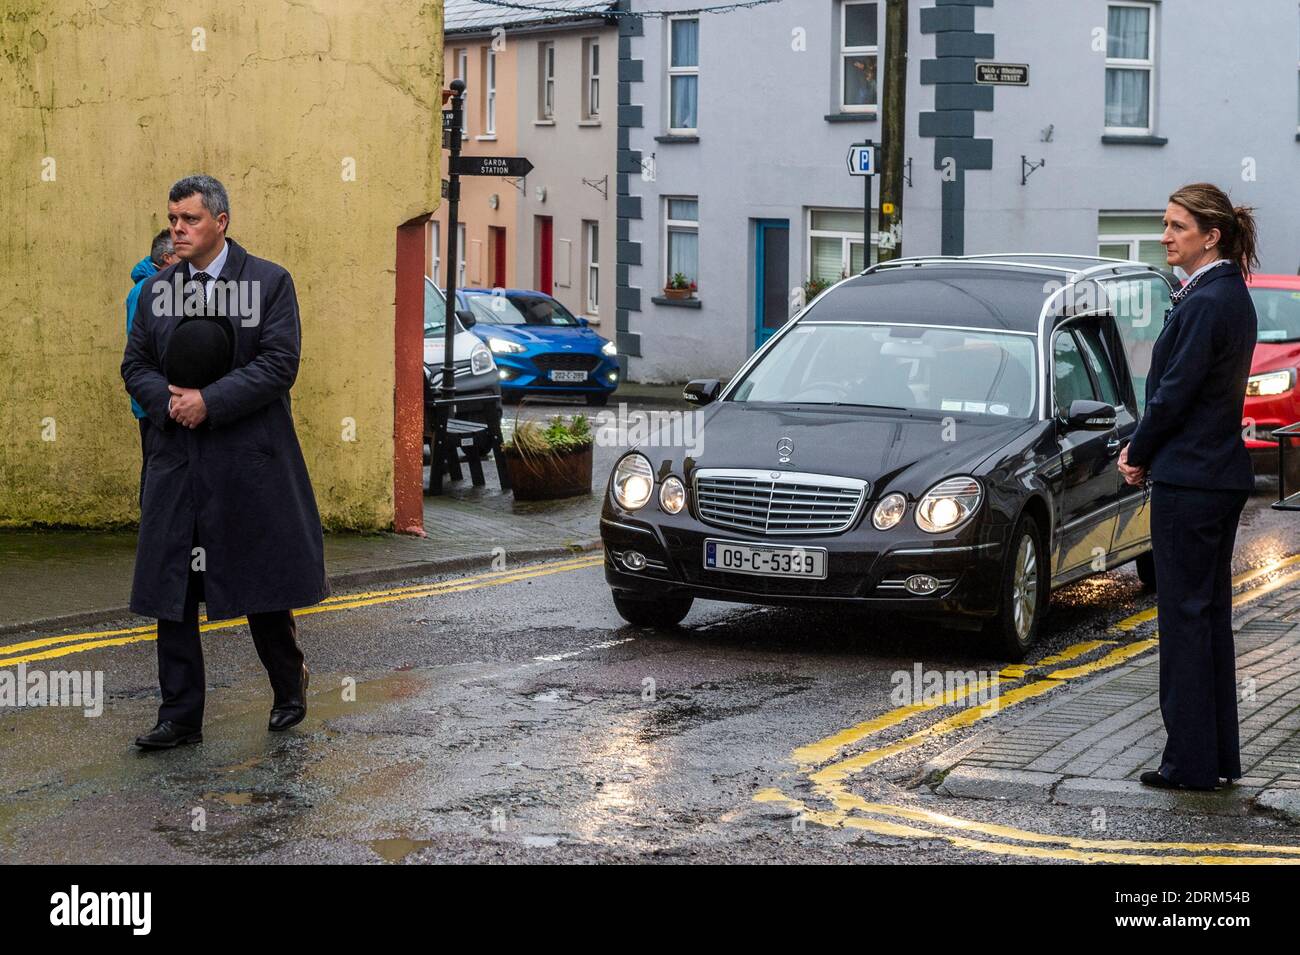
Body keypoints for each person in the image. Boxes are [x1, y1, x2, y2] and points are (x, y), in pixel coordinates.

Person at [121, 174, 329, 749]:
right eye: (172, 220)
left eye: (189, 219)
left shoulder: (268, 282)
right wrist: (169, 402)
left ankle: (289, 684)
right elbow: (135, 363)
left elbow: (278, 364)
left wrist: (208, 402)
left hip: (246, 461)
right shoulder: (159, 289)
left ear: (221, 222)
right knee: (176, 590)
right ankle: (180, 716)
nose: (178, 230)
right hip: (177, 463)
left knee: (258, 587)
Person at [1117, 182, 1260, 791]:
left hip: (1192, 480)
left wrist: (1137, 450)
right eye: (1166, 224)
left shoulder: (1207, 301)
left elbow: (1175, 391)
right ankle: (1214, 760)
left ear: (1211, 235)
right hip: (1213, 476)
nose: (1166, 236)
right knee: (1205, 621)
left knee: (1185, 623)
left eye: (1178, 227)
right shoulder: (1223, 294)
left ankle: (1190, 764)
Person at [126, 230, 177, 506]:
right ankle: (151, 529)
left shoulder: (160, 286)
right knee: (156, 464)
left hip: (161, 396)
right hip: (153, 400)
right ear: (168, 258)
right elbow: (144, 347)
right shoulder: (146, 291)